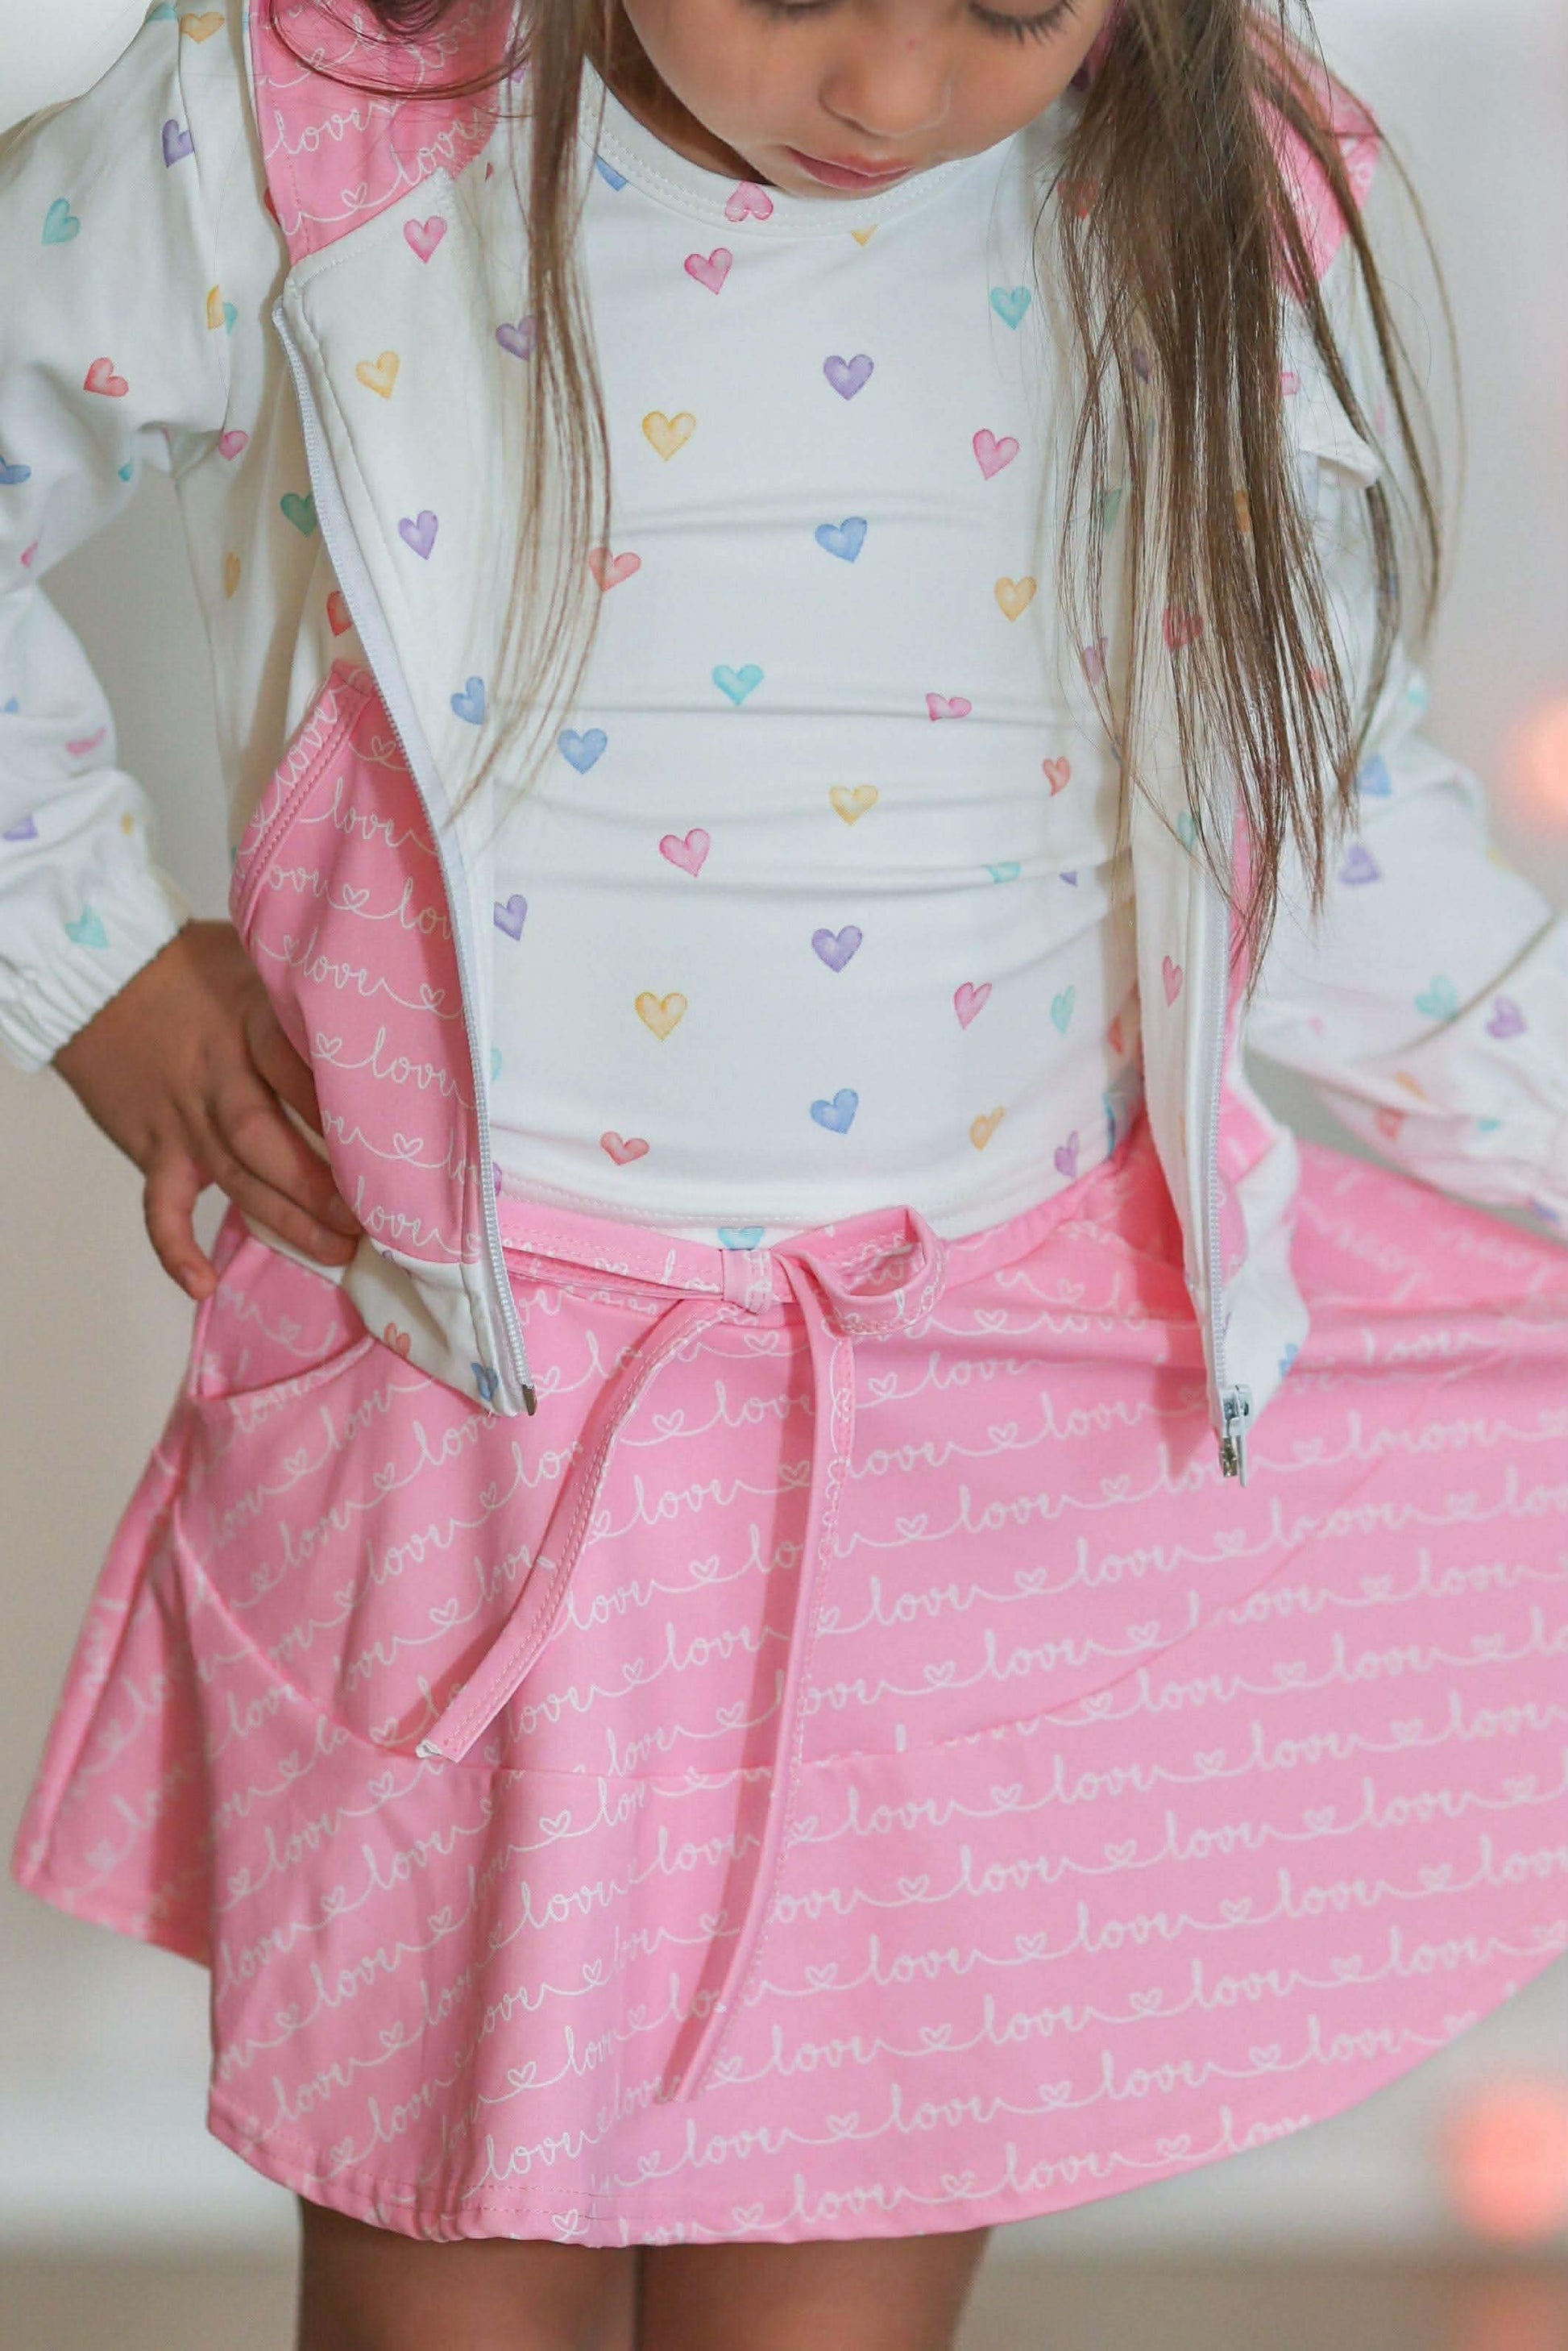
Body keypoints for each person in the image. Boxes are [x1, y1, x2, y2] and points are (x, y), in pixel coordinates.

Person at [2, 1, 1565, 2345]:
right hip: (474, 1450)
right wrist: (87, 953)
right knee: (443, 2291)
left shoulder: (1206, 178)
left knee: (829, 2299)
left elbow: (1317, 822)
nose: (891, 98)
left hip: (967, 1439)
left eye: (1012, 8)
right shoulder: (328, 113)